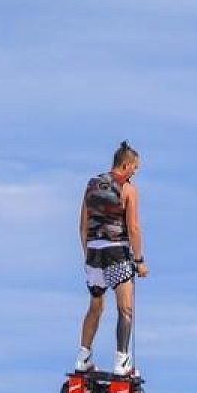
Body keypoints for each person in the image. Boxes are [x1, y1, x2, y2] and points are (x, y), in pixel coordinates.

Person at [75, 141, 148, 376]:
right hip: (117, 252)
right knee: (125, 308)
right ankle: (122, 362)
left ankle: (83, 358)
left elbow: (83, 225)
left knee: (95, 306)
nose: (135, 172)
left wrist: (88, 254)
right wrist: (139, 261)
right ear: (125, 164)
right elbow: (134, 228)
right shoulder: (128, 190)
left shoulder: (92, 184)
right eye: (135, 168)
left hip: (94, 252)